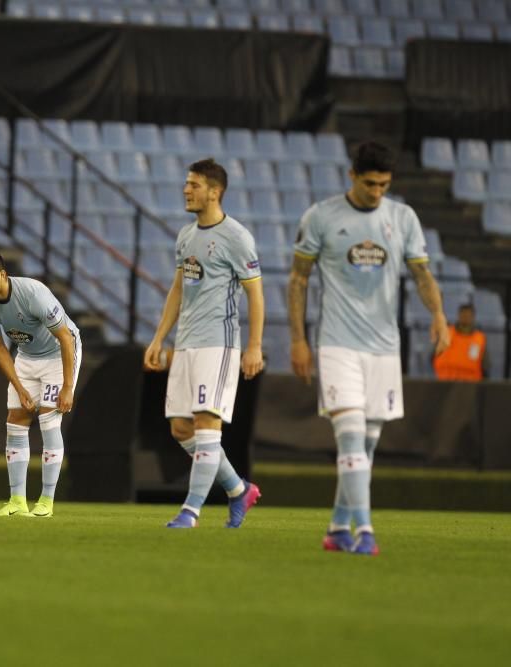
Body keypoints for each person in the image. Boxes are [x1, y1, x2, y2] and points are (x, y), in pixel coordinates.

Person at [288, 141, 449, 556]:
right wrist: (298, 340)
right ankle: (365, 533)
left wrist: (439, 316)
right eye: (370, 184)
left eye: (384, 185)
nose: (377, 192)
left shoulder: (402, 217)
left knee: (367, 447)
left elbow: (422, 275)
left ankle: (338, 528)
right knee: (351, 439)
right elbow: (298, 280)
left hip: (383, 349)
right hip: (338, 345)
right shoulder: (321, 217)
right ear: (352, 176)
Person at [143, 158, 265, 529]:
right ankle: (237, 489)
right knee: (181, 428)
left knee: (207, 422)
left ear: (215, 191)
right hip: (186, 343)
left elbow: (256, 296)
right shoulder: (186, 236)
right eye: (186, 183)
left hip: (219, 343)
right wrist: (159, 338)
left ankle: (191, 510)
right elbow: (179, 288)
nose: (186, 190)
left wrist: (254, 346)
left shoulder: (237, 237)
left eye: (193, 185)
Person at [0, 248, 80, 517]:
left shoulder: (32, 293)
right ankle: (17, 502)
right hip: (27, 356)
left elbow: (66, 338)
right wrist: (19, 387)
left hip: (58, 353)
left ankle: (46, 502)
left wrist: (67, 387)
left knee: (48, 420)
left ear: (2, 275)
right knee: (15, 421)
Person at [434, 303, 488, 381]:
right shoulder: (446, 333)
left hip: (470, 386)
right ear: (459, 315)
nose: (465, 318)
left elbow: (485, 366)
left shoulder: (480, 339)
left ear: (473, 317)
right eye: (463, 315)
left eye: (468, 315)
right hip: (444, 383)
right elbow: (433, 355)